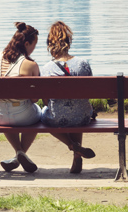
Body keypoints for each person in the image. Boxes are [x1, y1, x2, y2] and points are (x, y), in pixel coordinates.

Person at [40, 21, 96, 174]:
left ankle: (72, 145)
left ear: (50, 45)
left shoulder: (46, 69)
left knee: (41, 117)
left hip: (57, 118)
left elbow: (46, 101)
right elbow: (90, 94)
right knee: (77, 108)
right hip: (83, 117)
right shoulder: (83, 64)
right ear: (68, 42)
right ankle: (76, 155)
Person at [0, 22, 42, 173]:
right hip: (23, 115)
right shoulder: (30, 65)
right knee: (39, 115)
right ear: (26, 43)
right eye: (34, 44)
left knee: (6, 113)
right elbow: (34, 99)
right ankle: (20, 154)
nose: (34, 48)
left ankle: (18, 154)